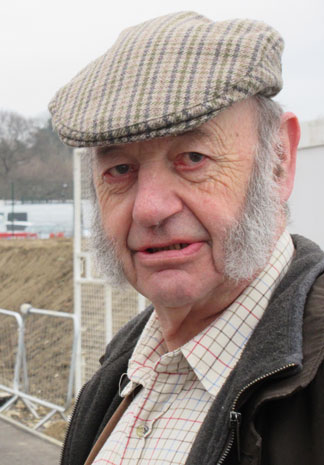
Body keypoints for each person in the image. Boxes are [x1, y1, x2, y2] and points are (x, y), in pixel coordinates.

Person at [48, 11, 324, 465]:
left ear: (279, 160)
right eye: (120, 170)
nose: (150, 208)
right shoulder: (121, 369)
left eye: (192, 157)